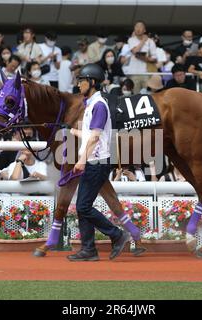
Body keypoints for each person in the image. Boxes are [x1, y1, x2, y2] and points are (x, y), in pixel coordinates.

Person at [67, 63, 130, 261]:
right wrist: (72, 130)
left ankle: (117, 234)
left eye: (82, 81)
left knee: (83, 207)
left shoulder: (99, 105)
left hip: (96, 162)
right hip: (94, 161)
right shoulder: (92, 104)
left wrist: (81, 161)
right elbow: (92, 134)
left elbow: (95, 138)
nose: (78, 85)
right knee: (82, 206)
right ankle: (88, 250)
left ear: (92, 82)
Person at [126, 21, 157, 94]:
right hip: (134, 73)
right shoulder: (131, 40)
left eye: (140, 27)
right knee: (135, 95)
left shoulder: (150, 42)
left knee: (148, 95)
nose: (138, 29)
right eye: (136, 26)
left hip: (147, 73)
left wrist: (143, 58)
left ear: (144, 30)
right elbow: (135, 51)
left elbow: (154, 58)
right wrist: (143, 40)